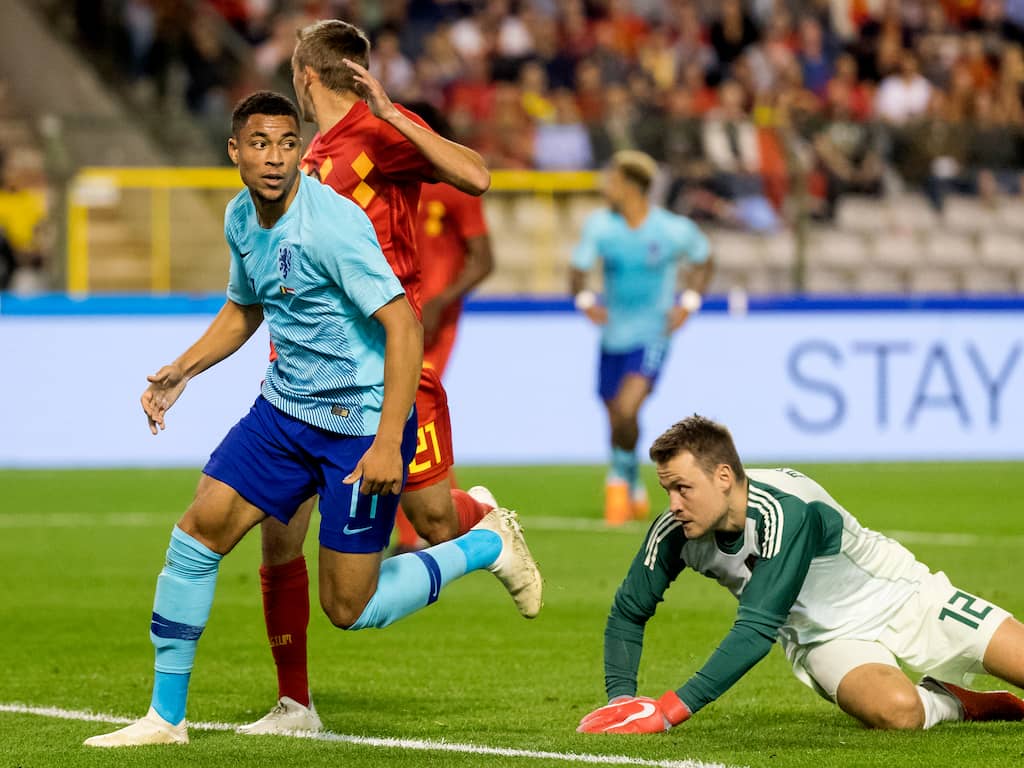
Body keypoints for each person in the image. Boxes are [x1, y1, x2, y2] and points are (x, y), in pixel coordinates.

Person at [83, 91, 541, 748]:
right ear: (235, 151)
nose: (274, 157)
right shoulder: (241, 217)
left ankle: (484, 546)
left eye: (286, 143)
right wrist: (182, 369)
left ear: (300, 149)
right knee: (197, 533)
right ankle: (165, 718)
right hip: (283, 414)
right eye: (260, 144)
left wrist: (388, 443)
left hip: (358, 424)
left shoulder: (331, 225)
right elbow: (246, 307)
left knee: (349, 608)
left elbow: (405, 326)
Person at [241, 20, 532, 736]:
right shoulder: (306, 159)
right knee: (279, 531)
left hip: (392, 371)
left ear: (306, 78)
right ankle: (294, 705)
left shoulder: (380, 135)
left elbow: (477, 177)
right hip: (308, 379)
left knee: (433, 523)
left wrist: (395, 109)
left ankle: (488, 533)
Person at [577, 415, 1024, 734]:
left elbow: (755, 630)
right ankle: (957, 702)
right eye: (666, 489)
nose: (673, 503)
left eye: (683, 487)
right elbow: (627, 612)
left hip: (904, 595)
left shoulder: (787, 511)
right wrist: (624, 701)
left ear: (724, 477)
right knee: (898, 713)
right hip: (822, 639)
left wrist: (668, 711)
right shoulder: (676, 530)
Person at [569, 150, 712, 527]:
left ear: (631, 187)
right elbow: (578, 269)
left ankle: (617, 480)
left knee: (628, 408)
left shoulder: (669, 229)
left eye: (612, 180)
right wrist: (584, 300)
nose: (606, 187)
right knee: (616, 414)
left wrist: (689, 302)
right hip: (613, 335)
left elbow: (704, 258)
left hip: (653, 334)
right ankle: (632, 477)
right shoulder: (601, 226)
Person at [394, 100, 495, 553]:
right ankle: (421, 533)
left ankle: (433, 531)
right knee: (391, 418)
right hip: (395, 318)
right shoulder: (388, 182)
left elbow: (484, 260)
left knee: (409, 415)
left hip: (433, 322)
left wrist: (440, 302)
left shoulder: (451, 186)